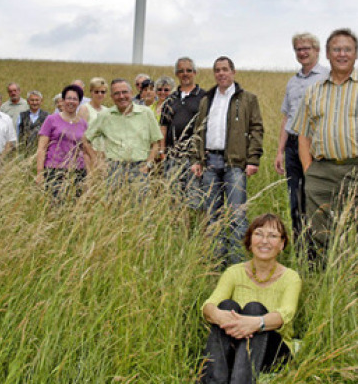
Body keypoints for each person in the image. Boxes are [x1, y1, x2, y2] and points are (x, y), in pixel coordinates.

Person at [291, 28, 358, 308]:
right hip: (322, 173)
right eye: (336, 49)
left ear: (356, 54)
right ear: (327, 54)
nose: (342, 54)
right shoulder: (314, 90)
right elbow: (303, 134)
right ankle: (330, 300)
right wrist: (309, 171)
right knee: (321, 238)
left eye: (347, 49)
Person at [200, 213, 301, 384]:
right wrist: (220, 317)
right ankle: (213, 381)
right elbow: (208, 306)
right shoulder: (233, 272)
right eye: (259, 234)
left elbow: (286, 314)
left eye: (273, 236)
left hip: (272, 352)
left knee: (255, 309)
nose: (264, 241)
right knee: (225, 305)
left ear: (282, 244)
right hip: (235, 347)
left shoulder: (291, 277)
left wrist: (256, 323)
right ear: (250, 241)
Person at [191, 57, 264, 265]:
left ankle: (237, 263)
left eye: (225, 69)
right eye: (217, 70)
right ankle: (215, 263)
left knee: (236, 215)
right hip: (209, 162)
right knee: (211, 214)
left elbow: (257, 129)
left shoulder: (247, 99)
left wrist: (253, 159)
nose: (221, 73)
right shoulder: (207, 99)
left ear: (233, 72)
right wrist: (197, 159)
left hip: (236, 163)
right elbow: (199, 130)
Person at [274, 32, 328, 240]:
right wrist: (280, 151)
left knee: (316, 198)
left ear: (317, 50)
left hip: (317, 146)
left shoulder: (327, 76)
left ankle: (320, 248)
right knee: (295, 200)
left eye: (306, 48)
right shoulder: (292, 82)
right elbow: (286, 117)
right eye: (298, 49)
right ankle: (302, 251)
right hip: (293, 146)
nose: (302, 52)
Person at [83, 78, 162, 181]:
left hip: (139, 168)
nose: (121, 96)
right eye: (117, 94)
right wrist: (98, 161)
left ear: (131, 93)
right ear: (112, 97)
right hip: (114, 169)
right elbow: (85, 140)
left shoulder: (146, 113)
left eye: (124, 92)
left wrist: (148, 165)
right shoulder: (105, 115)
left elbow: (156, 142)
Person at [160, 57, 207, 201]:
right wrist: (162, 151)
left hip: (194, 157)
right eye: (181, 71)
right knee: (173, 196)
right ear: (176, 74)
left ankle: (193, 224)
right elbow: (163, 126)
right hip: (172, 156)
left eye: (188, 70)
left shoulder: (204, 97)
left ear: (195, 72)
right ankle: (176, 224)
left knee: (194, 198)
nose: (185, 74)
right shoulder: (170, 99)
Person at [35, 85, 88, 199]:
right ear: (63, 101)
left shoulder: (83, 124)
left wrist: (89, 174)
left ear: (79, 102)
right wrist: (40, 173)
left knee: (74, 206)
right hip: (55, 171)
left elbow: (85, 150)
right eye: (68, 98)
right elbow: (42, 148)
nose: (71, 102)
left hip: (77, 171)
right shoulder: (51, 119)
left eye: (75, 99)